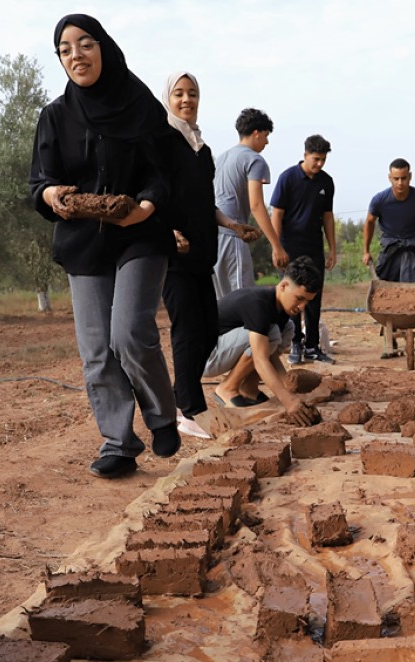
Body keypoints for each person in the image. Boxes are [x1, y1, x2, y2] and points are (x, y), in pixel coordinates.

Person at [30, 14, 181, 479]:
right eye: (65, 49)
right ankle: (118, 441)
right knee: (97, 350)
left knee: (129, 333)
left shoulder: (140, 106)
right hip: (82, 241)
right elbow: (40, 181)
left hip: (138, 233)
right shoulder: (55, 116)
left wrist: (147, 207)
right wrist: (52, 196)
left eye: (85, 43)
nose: (76, 54)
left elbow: (166, 170)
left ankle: (161, 416)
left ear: (104, 48)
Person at [160, 72, 260, 442]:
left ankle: (185, 397)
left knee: (205, 330)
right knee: (186, 331)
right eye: (179, 94)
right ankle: (186, 409)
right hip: (175, 256)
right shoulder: (163, 142)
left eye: (193, 94)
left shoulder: (200, 148)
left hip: (203, 254)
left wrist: (232, 225)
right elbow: (156, 196)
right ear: (167, 98)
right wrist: (165, 232)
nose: (187, 100)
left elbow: (205, 204)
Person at [203, 256, 321, 427]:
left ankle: (249, 390)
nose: (302, 307)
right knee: (271, 334)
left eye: (307, 302)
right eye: (299, 298)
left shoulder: (281, 312)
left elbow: (269, 355)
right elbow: (260, 359)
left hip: (221, 349)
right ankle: (227, 388)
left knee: (287, 329)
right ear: (284, 286)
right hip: (203, 357)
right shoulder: (259, 304)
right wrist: (288, 401)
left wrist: (288, 391)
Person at [270, 135, 338, 365]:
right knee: (292, 297)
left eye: (323, 160)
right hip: (290, 248)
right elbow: (276, 214)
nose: (319, 164)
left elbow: (328, 218)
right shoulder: (288, 178)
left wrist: (332, 250)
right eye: (316, 159)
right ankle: (295, 343)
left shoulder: (326, 183)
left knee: (313, 297)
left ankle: (312, 345)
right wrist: (276, 247)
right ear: (305, 154)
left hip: (314, 248)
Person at [212, 108, 286, 297]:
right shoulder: (254, 160)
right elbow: (256, 205)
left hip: (213, 236)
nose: (267, 141)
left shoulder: (221, 159)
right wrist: (276, 247)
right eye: (266, 135)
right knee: (242, 302)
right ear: (256, 133)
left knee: (221, 304)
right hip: (233, 236)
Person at [362, 158, 415, 282]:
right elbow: (369, 222)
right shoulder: (380, 200)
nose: (400, 183)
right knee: (385, 281)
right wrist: (366, 251)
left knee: (414, 281)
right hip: (390, 244)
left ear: (410, 176)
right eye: (396, 179)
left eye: (404, 178)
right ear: (389, 178)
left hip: (414, 244)